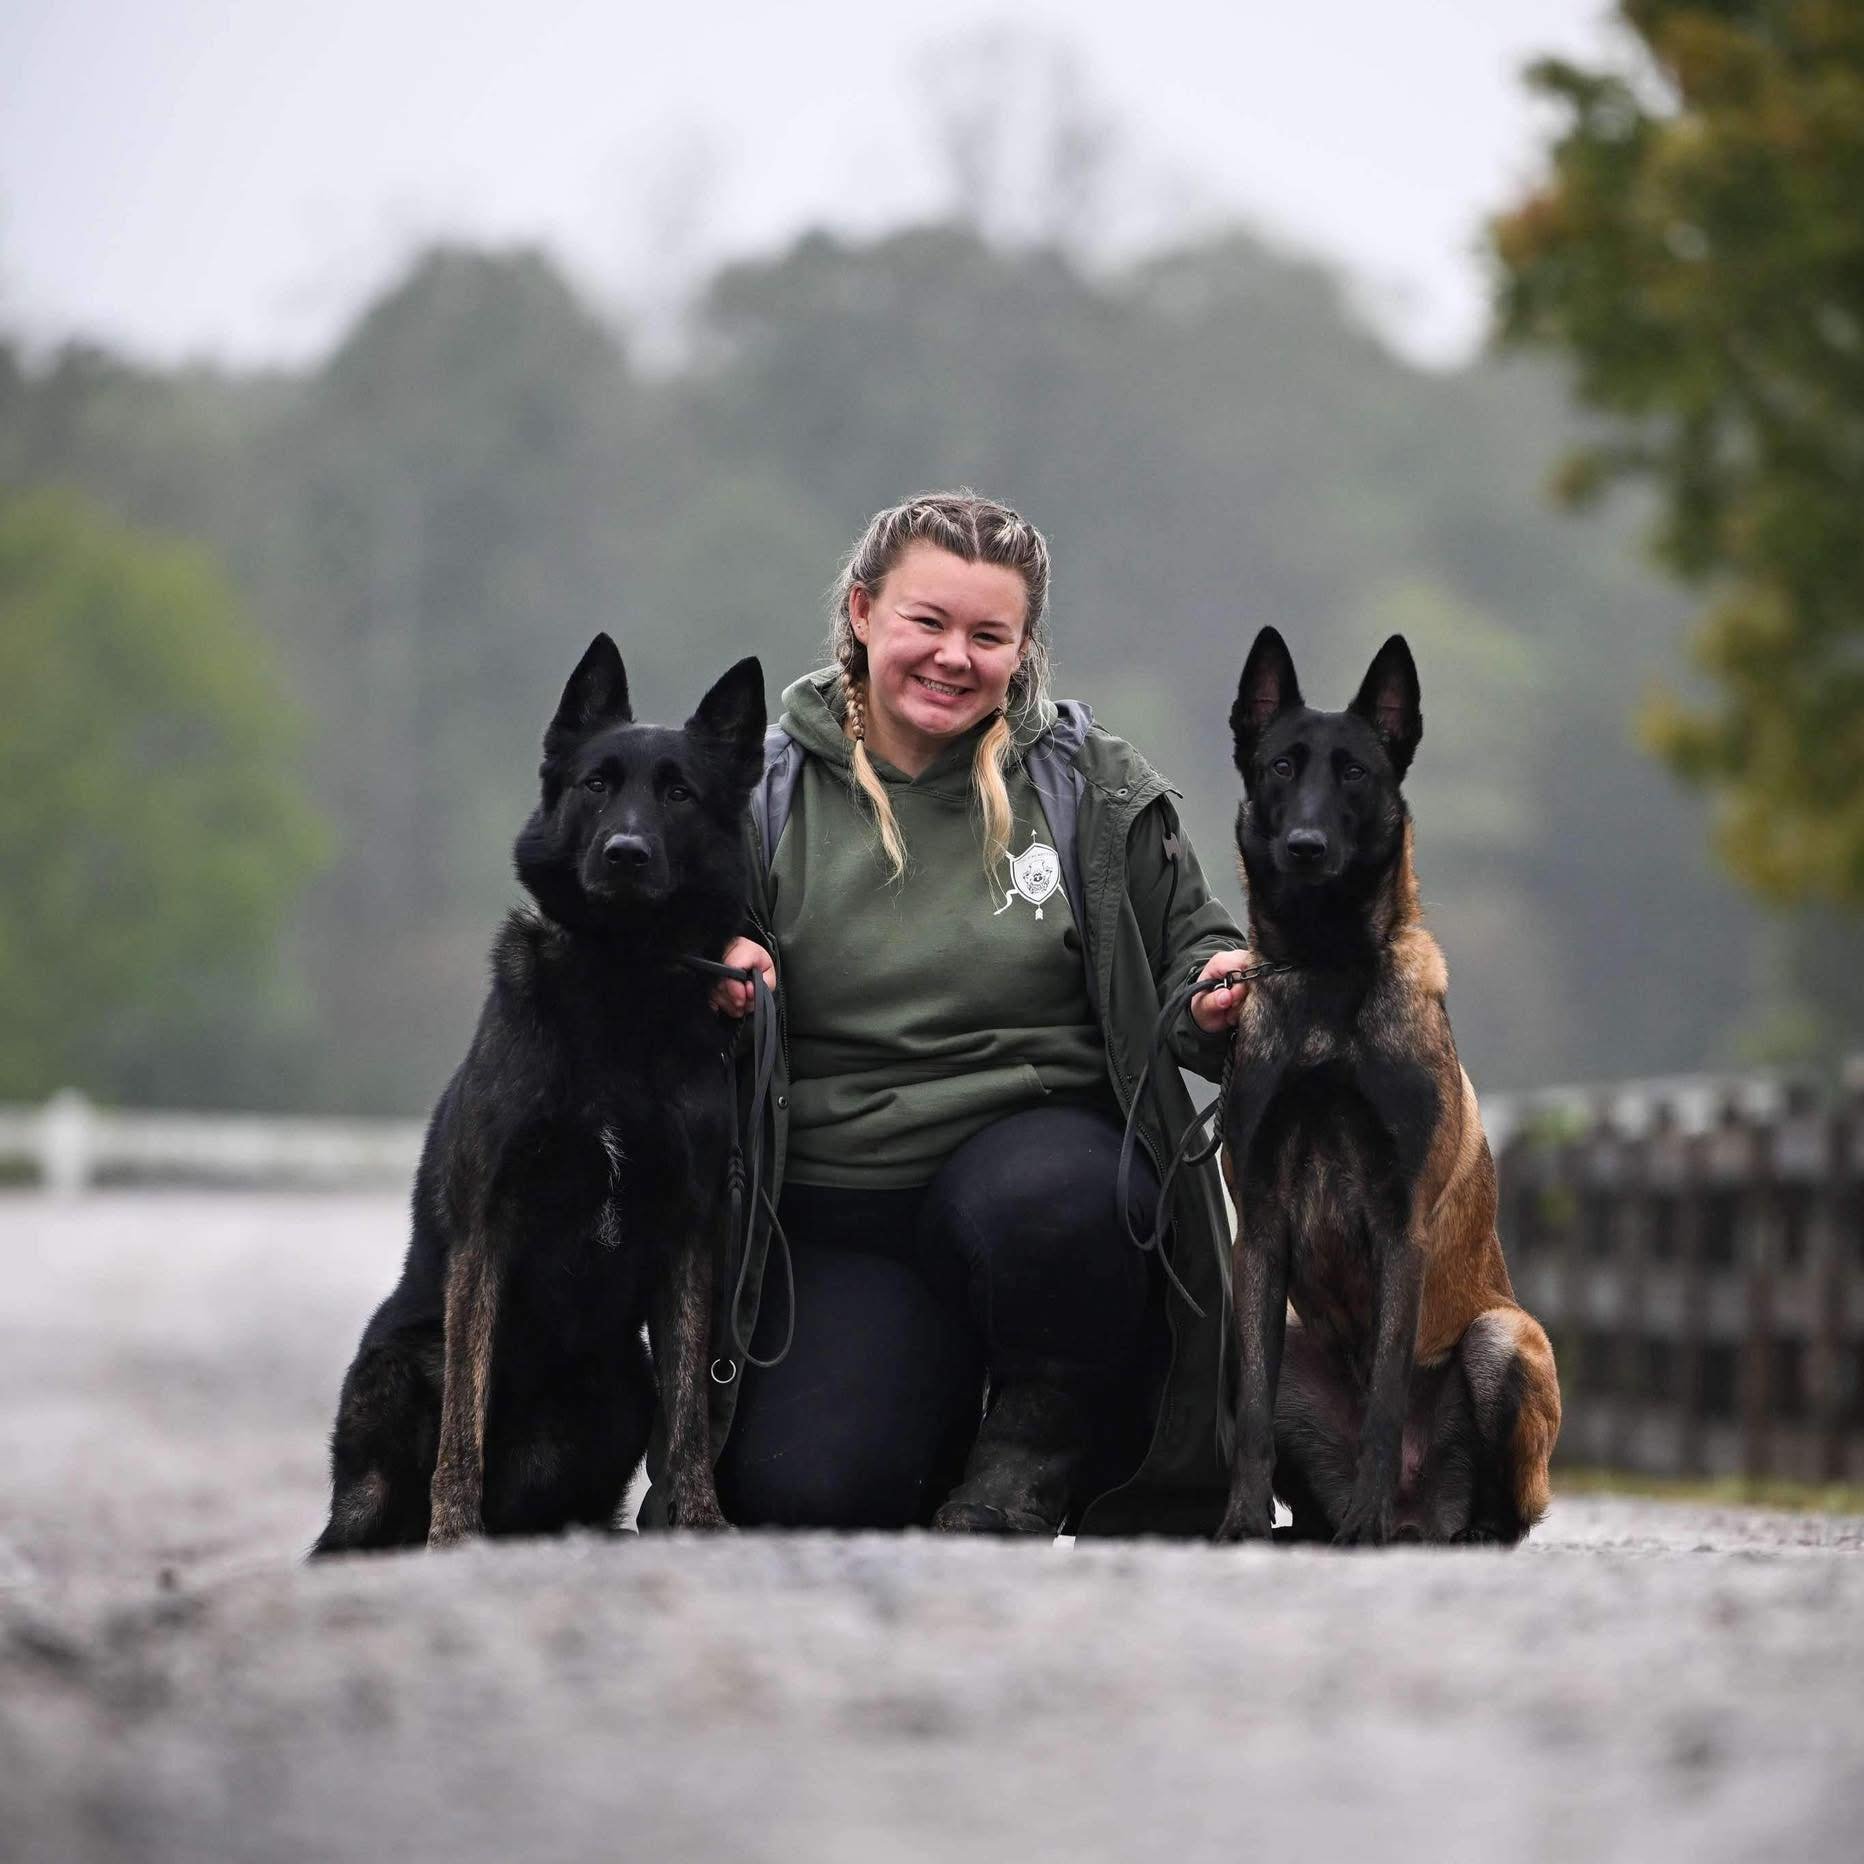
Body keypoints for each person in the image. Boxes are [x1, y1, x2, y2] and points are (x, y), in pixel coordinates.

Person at [648, 489, 1251, 1538]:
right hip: (833, 1211)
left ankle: (1038, 1442)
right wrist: (700, 972)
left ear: (1023, 649)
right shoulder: (753, 794)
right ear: (864, 611)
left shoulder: (1092, 790)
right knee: (808, 1496)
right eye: (927, 623)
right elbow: (659, 965)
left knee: (1060, 1199)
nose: (952, 658)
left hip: (1040, 1187)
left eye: (988, 635)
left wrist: (1219, 990)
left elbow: (1189, 955)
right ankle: (924, 1421)